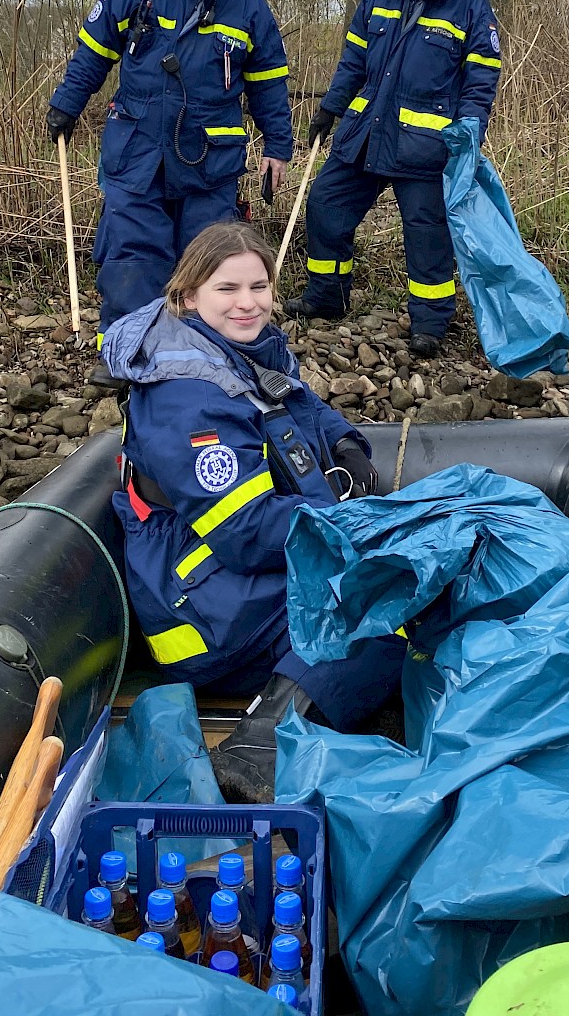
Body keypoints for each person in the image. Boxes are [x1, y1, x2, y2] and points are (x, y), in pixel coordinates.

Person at [101, 221, 405, 802]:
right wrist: (348, 527)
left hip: (235, 574)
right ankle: (259, 745)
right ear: (189, 296)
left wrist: (345, 445)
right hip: (202, 606)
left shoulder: (245, 351)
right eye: (227, 289)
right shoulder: (186, 397)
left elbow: (302, 404)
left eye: (259, 286)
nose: (248, 303)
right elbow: (242, 533)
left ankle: (330, 702)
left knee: (399, 585)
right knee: (385, 611)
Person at [46, 0, 294, 377]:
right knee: (133, 255)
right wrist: (66, 104)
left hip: (209, 162)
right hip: (137, 153)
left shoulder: (249, 7)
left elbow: (269, 84)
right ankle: (124, 351)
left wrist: (278, 145)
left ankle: (206, 356)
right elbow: (93, 53)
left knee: (210, 261)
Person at [285, 0, 501, 358]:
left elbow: (482, 75)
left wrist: (469, 128)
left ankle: (429, 323)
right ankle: (327, 296)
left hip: (426, 143)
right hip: (366, 132)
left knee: (427, 233)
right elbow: (354, 59)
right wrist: (330, 108)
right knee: (324, 202)